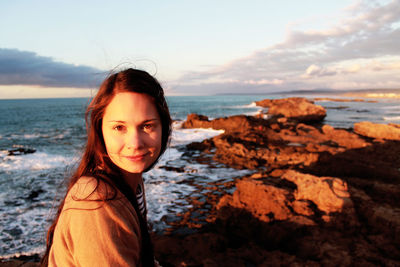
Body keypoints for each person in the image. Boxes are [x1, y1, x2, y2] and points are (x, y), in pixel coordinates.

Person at [41, 68, 172, 267]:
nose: (135, 143)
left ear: (164, 126)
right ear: (100, 130)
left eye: (147, 126)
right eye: (119, 127)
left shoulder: (128, 181)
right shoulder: (96, 202)